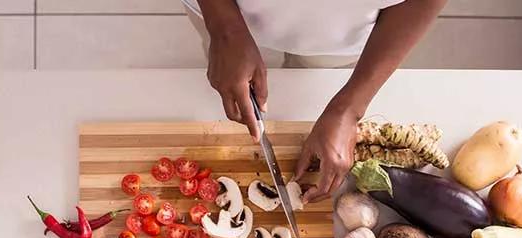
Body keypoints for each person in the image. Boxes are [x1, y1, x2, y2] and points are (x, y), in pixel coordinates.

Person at [183, 0, 446, 202]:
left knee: (313, 77)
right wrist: (223, 28)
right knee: (231, 76)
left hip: (340, 36)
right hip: (227, 10)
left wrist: (349, 108)